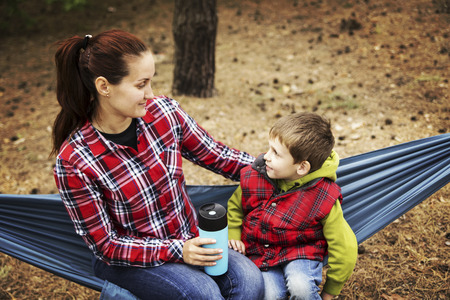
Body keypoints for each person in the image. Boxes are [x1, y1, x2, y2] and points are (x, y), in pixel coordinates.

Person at [51, 29, 264, 300]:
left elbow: (217, 156)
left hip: (188, 235)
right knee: (204, 295)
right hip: (127, 259)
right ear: (104, 87)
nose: (150, 94)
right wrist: (178, 251)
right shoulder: (75, 162)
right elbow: (106, 245)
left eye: (151, 82)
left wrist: (272, 169)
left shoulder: (164, 113)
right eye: (140, 85)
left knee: (249, 281)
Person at [227, 112, 358, 300]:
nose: (266, 157)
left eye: (276, 153)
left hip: (300, 252)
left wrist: (330, 292)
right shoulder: (254, 177)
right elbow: (235, 207)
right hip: (261, 251)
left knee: (301, 287)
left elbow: (345, 247)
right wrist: (233, 233)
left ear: (302, 167)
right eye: (269, 148)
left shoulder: (323, 196)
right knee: (270, 295)